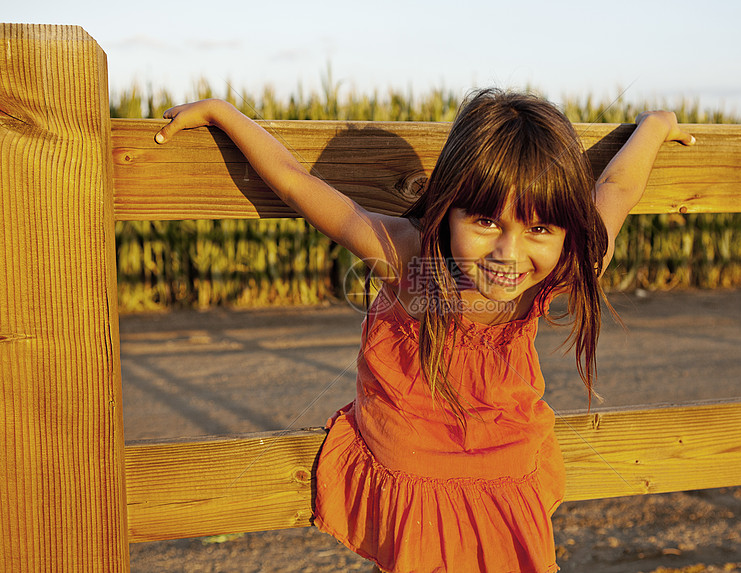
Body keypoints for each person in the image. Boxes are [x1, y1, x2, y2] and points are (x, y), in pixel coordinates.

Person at [155, 89, 695, 573]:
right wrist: (222, 113)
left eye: (537, 228)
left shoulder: (562, 261)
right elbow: (300, 186)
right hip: (420, 482)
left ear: (563, 229)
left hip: (504, 476)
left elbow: (616, 190)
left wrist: (655, 124)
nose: (509, 252)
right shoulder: (411, 252)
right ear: (449, 207)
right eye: (485, 221)